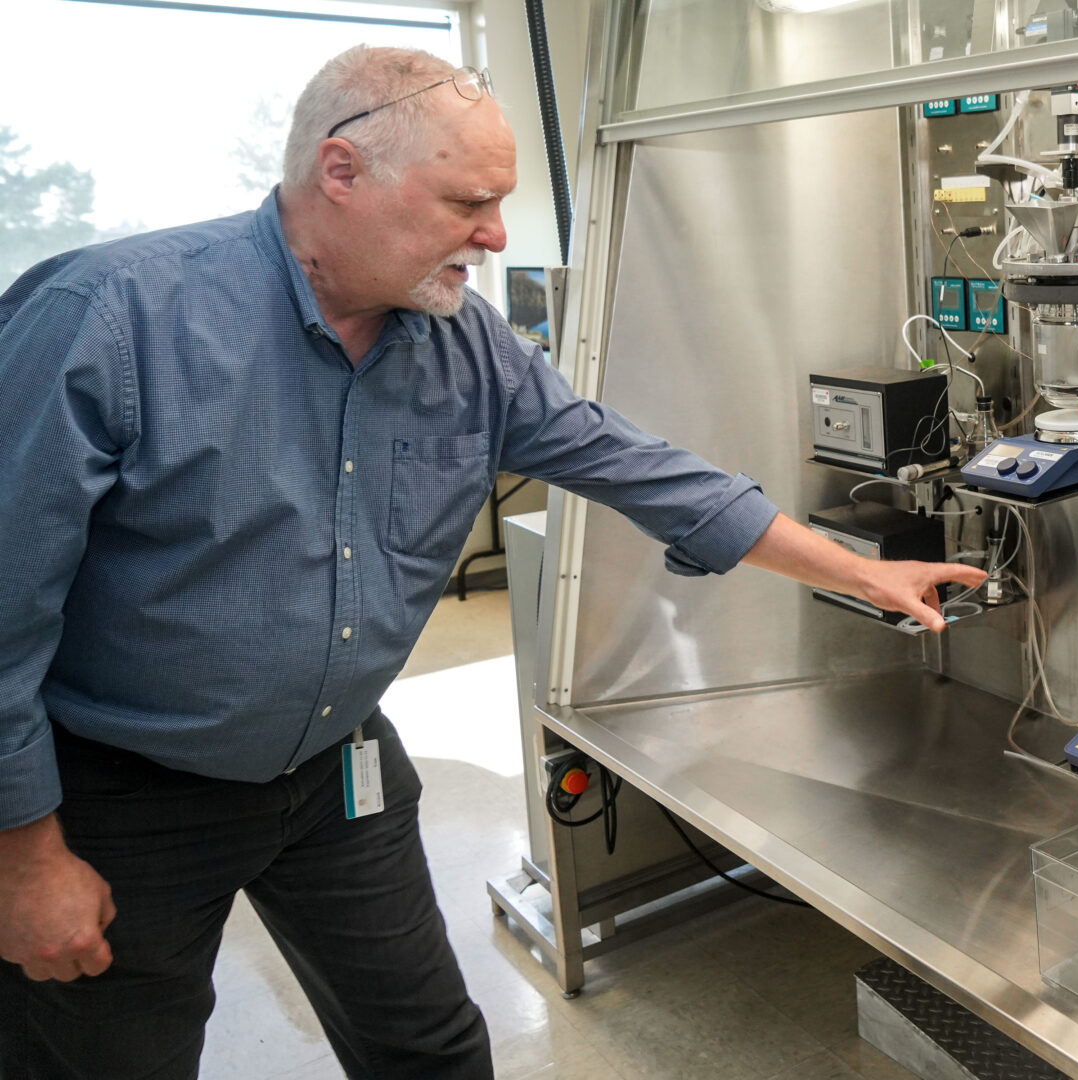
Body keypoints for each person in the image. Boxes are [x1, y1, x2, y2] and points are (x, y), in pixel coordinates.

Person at [0, 45, 983, 1079]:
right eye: (467, 200)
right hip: (124, 795)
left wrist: (856, 570)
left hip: (339, 771)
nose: (496, 234)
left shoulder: (464, 342)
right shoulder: (108, 319)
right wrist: (23, 858)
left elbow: (635, 467)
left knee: (429, 1048)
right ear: (341, 173)